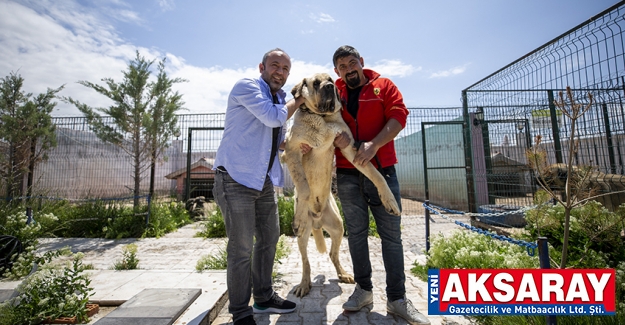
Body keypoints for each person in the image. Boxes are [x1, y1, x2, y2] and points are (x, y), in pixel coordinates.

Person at [331, 45, 431, 325]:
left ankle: (397, 299)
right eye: (342, 66)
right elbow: (323, 119)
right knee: (357, 234)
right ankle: (363, 291)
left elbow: (399, 115)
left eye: (352, 63)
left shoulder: (383, 86)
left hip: (383, 171)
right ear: (337, 71)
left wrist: (374, 145)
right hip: (347, 174)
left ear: (361, 62)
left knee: (391, 236)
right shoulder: (334, 92)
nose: (349, 69)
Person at [212, 48, 305, 325]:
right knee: (241, 248)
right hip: (235, 179)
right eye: (275, 65)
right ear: (261, 66)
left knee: (269, 237)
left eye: (285, 68)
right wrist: (299, 100)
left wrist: (297, 145)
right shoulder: (247, 86)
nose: (280, 71)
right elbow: (273, 118)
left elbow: (272, 139)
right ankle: (240, 312)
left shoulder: (277, 98)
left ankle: (263, 297)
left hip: (261, 180)